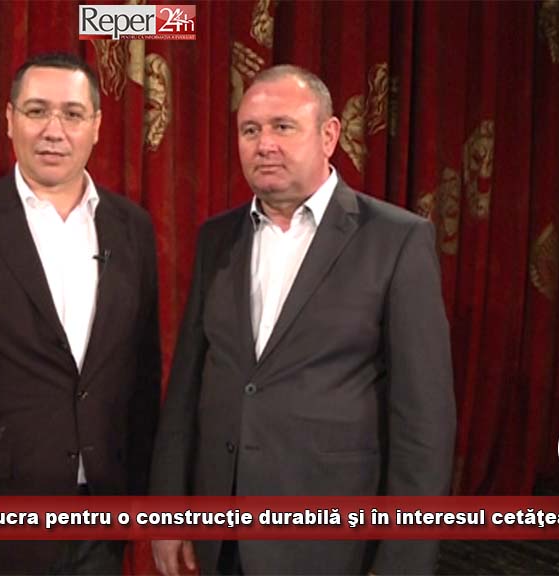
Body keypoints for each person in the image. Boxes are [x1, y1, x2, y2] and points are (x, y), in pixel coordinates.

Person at [149, 65, 455, 575]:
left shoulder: (396, 240)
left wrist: (404, 561)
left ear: (329, 135)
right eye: (250, 130)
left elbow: (424, 424)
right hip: (221, 537)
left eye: (283, 126)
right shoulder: (216, 238)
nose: (264, 144)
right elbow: (187, 384)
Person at [0, 52, 160, 575]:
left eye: (72, 114)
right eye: (37, 111)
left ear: (96, 126)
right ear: (10, 119)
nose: (53, 131)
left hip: (103, 520)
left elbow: (144, 374)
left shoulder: (133, 228)